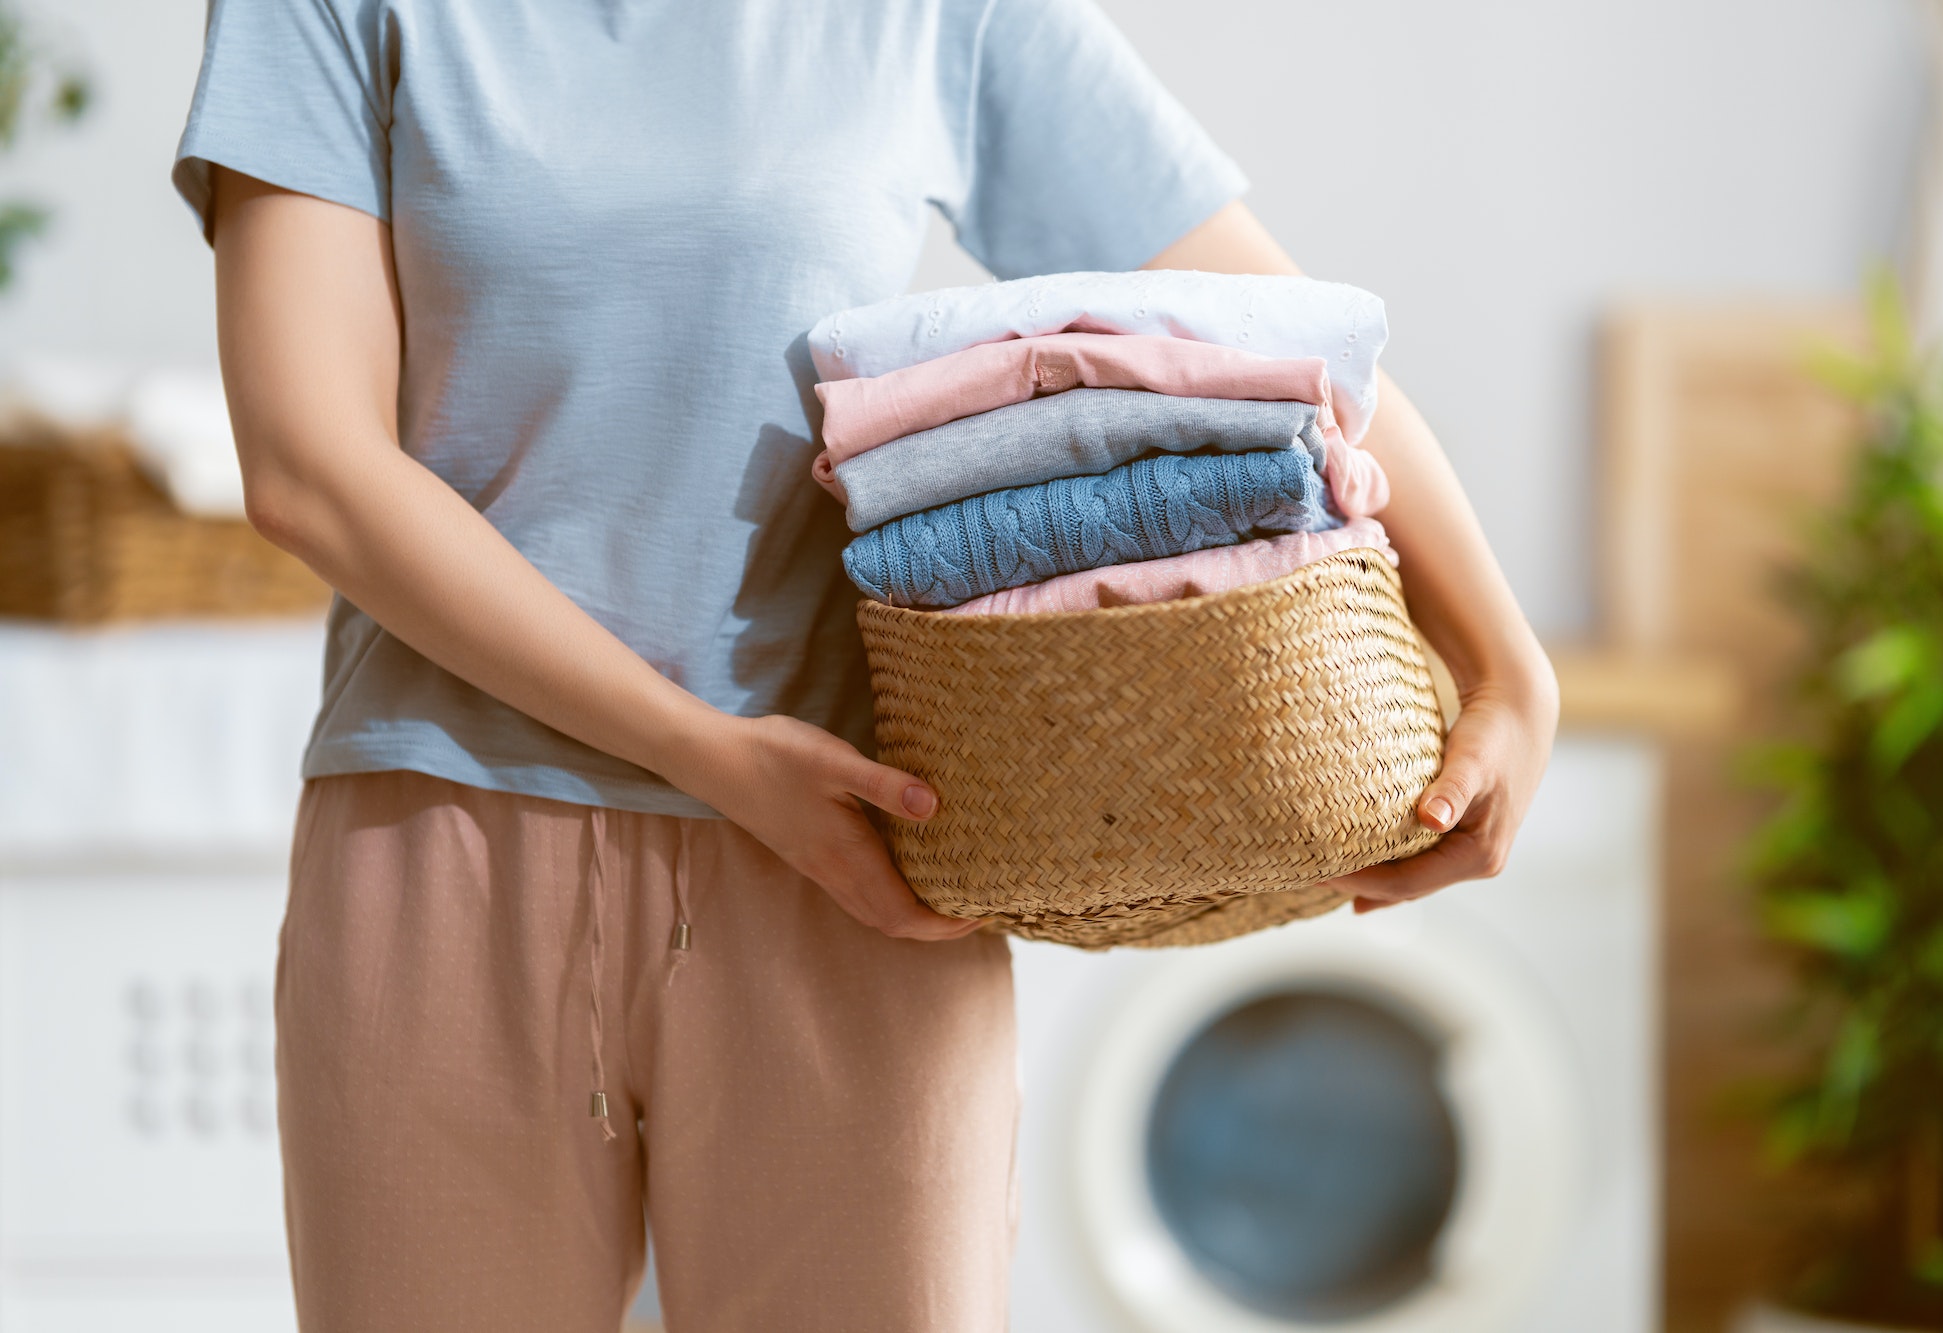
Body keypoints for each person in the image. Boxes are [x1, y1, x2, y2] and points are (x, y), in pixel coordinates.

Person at [174, 0, 1557, 1328]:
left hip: (857, 869)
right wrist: (702, 749)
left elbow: (1271, 337)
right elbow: (309, 468)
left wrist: (1504, 659)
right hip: (448, 844)